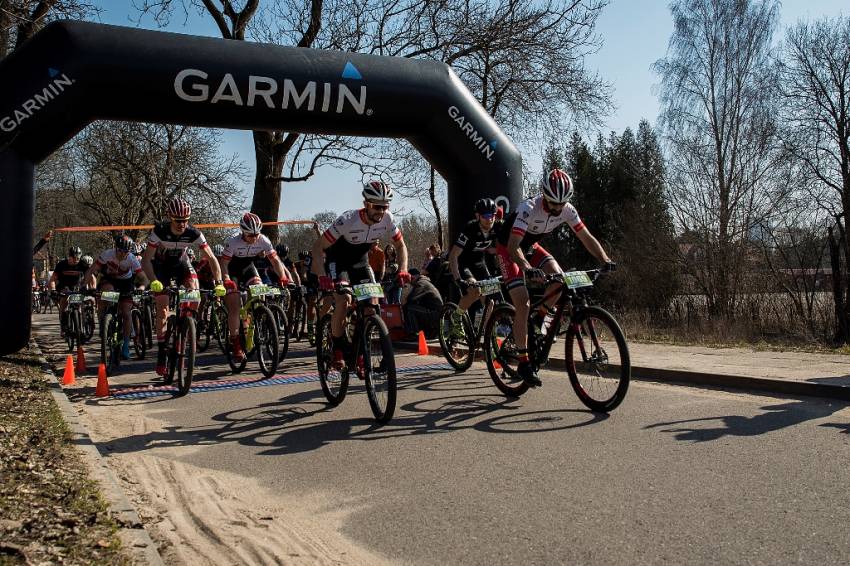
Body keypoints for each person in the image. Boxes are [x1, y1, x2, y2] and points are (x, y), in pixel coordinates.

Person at [496, 168, 615, 387]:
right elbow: (514, 247)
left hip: (530, 247)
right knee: (522, 303)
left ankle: (540, 317)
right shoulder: (528, 208)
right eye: (553, 204)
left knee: (561, 279)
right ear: (544, 196)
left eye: (561, 204)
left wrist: (604, 259)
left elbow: (586, 237)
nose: (557, 209)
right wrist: (525, 267)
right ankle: (523, 362)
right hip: (508, 249)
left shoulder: (567, 209)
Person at [311, 180, 409, 368]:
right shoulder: (347, 219)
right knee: (343, 299)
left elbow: (400, 245)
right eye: (376, 206)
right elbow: (318, 246)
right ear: (365, 204)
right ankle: (338, 348)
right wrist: (323, 275)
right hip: (337, 261)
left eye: (385, 206)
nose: (381, 211)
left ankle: (359, 350)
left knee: (371, 306)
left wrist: (403, 269)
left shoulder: (387, 218)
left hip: (360, 262)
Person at [142, 198, 226, 376]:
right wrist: (152, 279)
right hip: (161, 268)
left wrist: (219, 282)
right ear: (170, 218)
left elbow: (211, 258)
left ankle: (186, 326)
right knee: (163, 308)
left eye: (185, 220)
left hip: (181, 264)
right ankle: (162, 351)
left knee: (195, 292)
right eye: (178, 220)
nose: (182, 224)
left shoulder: (193, 232)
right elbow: (146, 259)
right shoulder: (160, 231)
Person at [220, 213, 292, 362]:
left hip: (248, 268)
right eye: (250, 235)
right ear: (243, 232)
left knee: (260, 289)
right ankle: (236, 343)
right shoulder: (233, 242)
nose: (254, 238)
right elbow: (224, 264)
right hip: (232, 270)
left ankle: (257, 316)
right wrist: (226, 279)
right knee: (234, 305)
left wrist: (283, 277)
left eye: (256, 234)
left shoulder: (263, 240)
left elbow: (275, 261)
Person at [85, 236, 149, 359]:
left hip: (126, 283)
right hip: (110, 280)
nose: (122, 254)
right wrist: (85, 286)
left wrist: (141, 288)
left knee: (126, 312)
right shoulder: (107, 254)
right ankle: (105, 321)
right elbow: (92, 270)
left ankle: (125, 345)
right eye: (120, 251)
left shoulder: (132, 259)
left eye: (126, 252)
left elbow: (144, 279)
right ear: (116, 248)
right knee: (106, 294)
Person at [447, 197, 502, 336]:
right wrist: (458, 279)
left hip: (479, 263)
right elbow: (453, 255)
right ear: (478, 216)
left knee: (489, 302)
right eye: (486, 216)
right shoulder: (470, 228)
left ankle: (485, 333)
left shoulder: (497, 226)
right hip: (464, 264)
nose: (490, 220)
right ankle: (457, 316)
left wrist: (495, 251)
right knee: (475, 291)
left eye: (492, 216)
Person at [47, 245, 86, 337]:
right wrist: (53, 289)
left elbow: (91, 276)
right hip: (63, 287)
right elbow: (52, 279)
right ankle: (63, 327)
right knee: (64, 304)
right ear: (70, 256)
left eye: (78, 258)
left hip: (76, 287)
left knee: (79, 307)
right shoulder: (61, 265)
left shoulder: (82, 264)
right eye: (74, 258)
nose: (76, 260)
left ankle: (80, 329)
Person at [401, 268, 443, 338]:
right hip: (434, 312)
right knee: (413, 307)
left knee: (409, 308)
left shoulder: (421, 283)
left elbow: (411, 299)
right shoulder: (423, 282)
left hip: (434, 314)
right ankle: (424, 332)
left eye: (410, 281)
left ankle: (414, 333)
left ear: (413, 277)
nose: (410, 283)